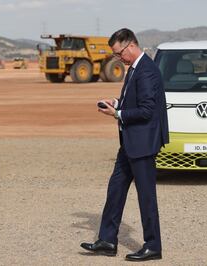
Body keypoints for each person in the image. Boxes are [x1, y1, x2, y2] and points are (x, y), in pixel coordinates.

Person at [80, 28, 169, 262]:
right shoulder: (134, 69)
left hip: (143, 143)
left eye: (119, 53)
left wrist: (117, 113)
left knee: (146, 196)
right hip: (129, 142)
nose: (118, 58)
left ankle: (153, 246)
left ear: (130, 45)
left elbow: (147, 110)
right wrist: (117, 102)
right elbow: (135, 101)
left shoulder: (147, 70)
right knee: (115, 190)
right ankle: (108, 240)